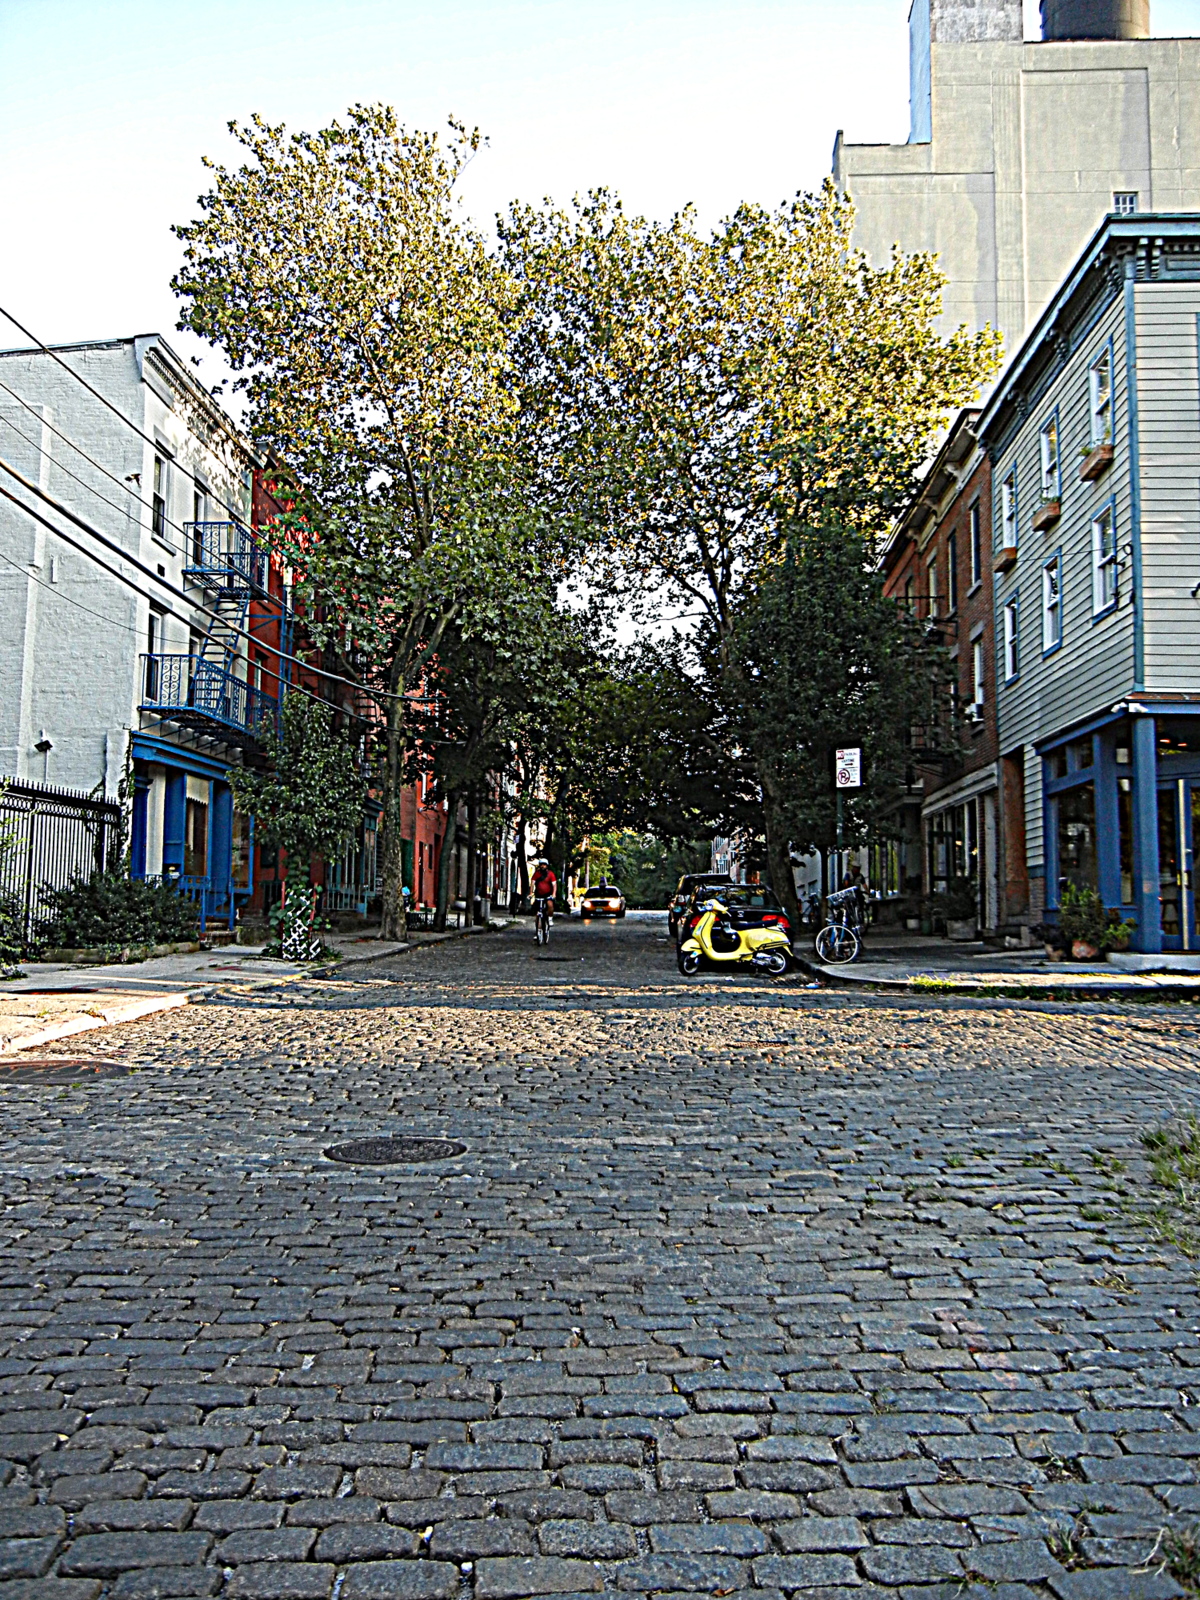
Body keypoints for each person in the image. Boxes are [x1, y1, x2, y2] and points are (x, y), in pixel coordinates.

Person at [531, 858, 557, 922]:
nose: (543, 866)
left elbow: (554, 885)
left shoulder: (550, 874)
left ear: (547, 866)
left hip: (547, 894)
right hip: (538, 894)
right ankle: (537, 923)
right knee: (536, 909)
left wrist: (554, 894)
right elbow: (532, 883)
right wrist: (531, 893)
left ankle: (550, 918)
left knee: (550, 905)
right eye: (541, 865)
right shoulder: (536, 874)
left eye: (544, 865)